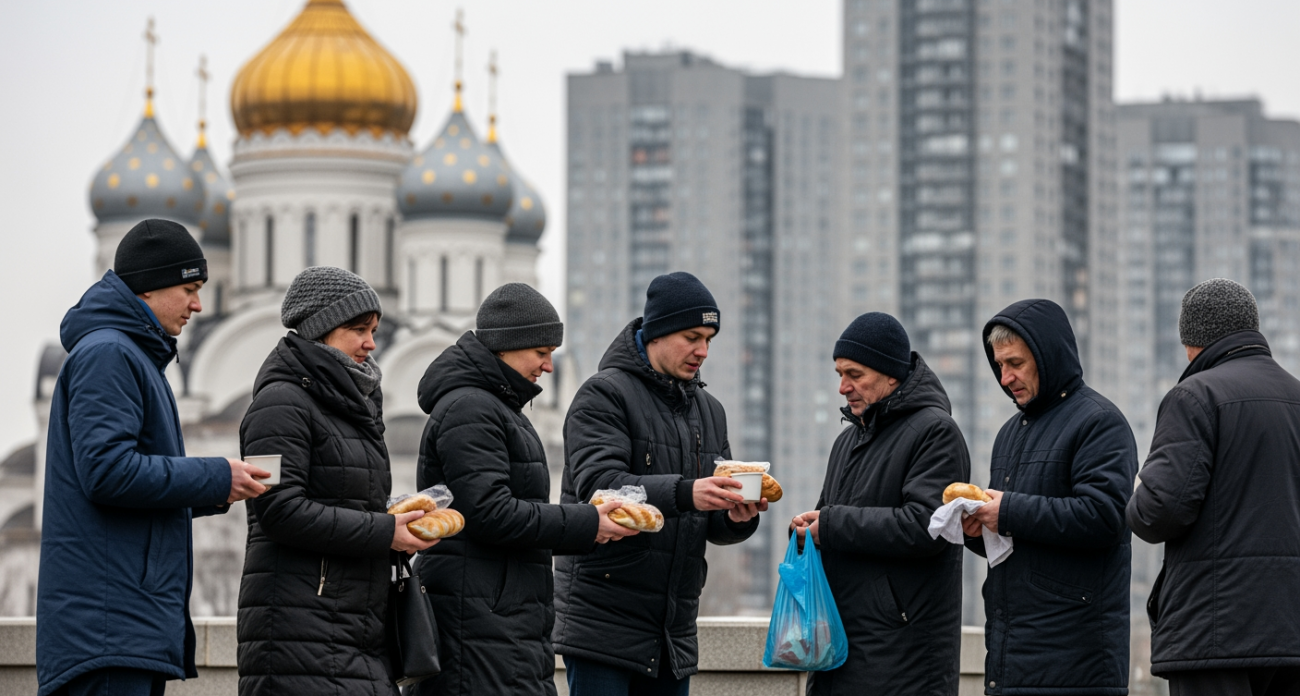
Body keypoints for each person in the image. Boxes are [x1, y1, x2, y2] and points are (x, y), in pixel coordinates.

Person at [37, 219, 268, 696]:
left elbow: (128, 478)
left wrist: (222, 486)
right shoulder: (109, 355)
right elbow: (108, 473)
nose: (199, 305)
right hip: (106, 628)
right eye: (188, 288)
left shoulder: (133, 355)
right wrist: (214, 474)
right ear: (149, 286)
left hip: (120, 623)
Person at [412, 283, 639, 696]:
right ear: (506, 346)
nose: (548, 367)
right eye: (541, 352)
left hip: (500, 614)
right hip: (480, 620)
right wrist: (588, 522)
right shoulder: (472, 408)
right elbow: (489, 513)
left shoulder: (497, 407)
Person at [552, 271, 765, 696]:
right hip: (603, 631)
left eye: (709, 339)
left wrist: (736, 518)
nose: (702, 350)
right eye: (691, 336)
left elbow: (706, 521)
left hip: (673, 634)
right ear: (657, 332)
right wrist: (688, 492)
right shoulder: (602, 395)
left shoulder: (710, 411)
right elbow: (600, 488)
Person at [236, 267, 437, 696]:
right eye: (357, 329)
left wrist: (396, 519)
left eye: (375, 329)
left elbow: (344, 499)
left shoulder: (352, 405)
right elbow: (277, 510)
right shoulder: (279, 404)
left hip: (354, 627)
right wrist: (386, 532)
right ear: (320, 330)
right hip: (300, 633)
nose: (371, 342)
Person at [1127, 279, 1300, 696]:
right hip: (1292, 631)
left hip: (1216, 632)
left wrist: (1136, 495)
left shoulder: (1194, 396)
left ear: (1191, 341)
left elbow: (1159, 512)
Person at [963, 299, 1137, 695]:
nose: (1005, 377)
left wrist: (1005, 510)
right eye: (999, 366)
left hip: (1077, 665)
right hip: (1011, 660)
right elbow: (1021, 541)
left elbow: (1105, 516)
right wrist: (979, 529)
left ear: (1048, 355)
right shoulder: (1008, 434)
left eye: (1016, 364)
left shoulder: (1100, 422)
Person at [792, 312, 968, 695]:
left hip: (903, 659)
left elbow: (928, 527)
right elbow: (833, 520)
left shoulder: (936, 433)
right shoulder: (847, 441)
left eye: (855, 375)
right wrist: (810, 533)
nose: (843, 387)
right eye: (839, 374)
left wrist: (833, 525)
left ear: (891, 374)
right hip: (840, 648)